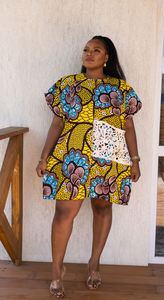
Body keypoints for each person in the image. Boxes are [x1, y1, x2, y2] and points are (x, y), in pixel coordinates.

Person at [36, 35, 142, 298]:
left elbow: (128, 126)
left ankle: (94, 262)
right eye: (86, 49)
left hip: (108, 156)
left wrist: (135, 160)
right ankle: (57, 272)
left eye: (96, 50)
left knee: (103, 206)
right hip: (72, 156)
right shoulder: (67, 85)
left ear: (107, 58)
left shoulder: (121, 89)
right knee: (63, 212)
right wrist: (44, 157)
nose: (89, 53)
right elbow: (57, 124)